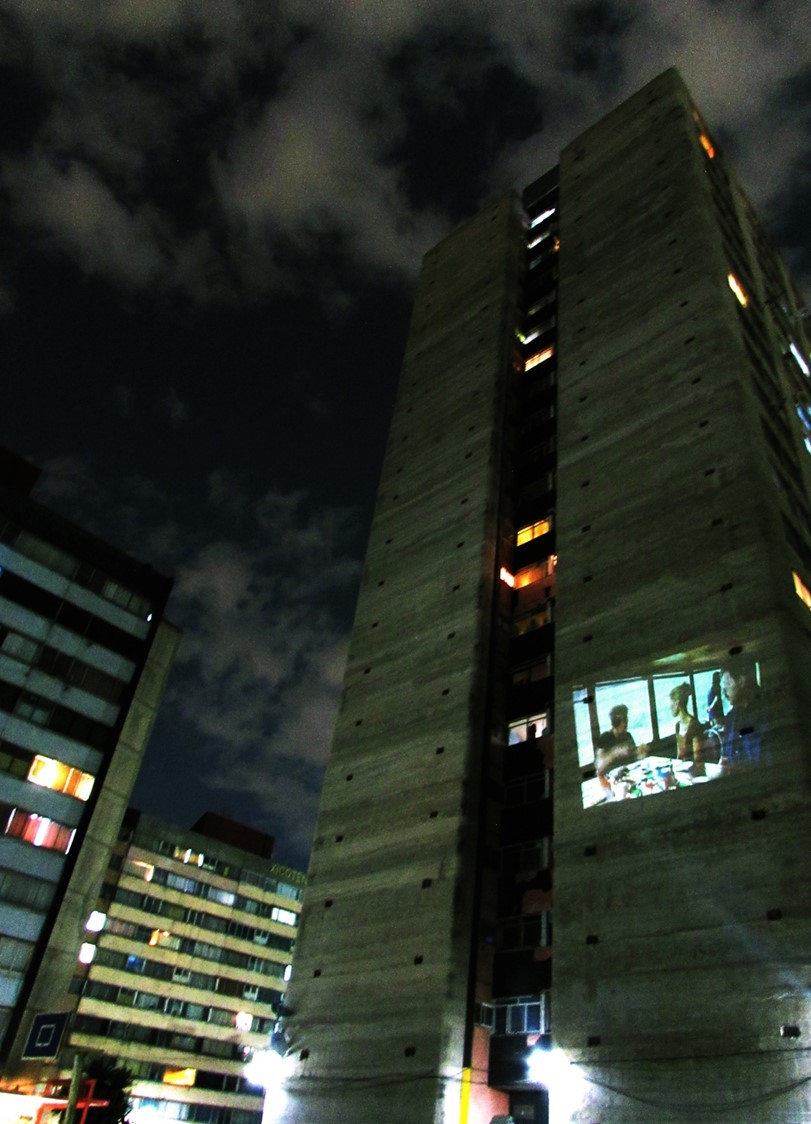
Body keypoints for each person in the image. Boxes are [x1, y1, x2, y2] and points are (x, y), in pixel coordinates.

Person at [719, 664, 767, 767]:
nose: (724, 693)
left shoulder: (767, 713)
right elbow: (724, 758)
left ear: (741, 681)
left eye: (727, 685)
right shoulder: (730, 718)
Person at [595, 704, 640, 777]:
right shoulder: (604, 737)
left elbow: (635, 758)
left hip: (629, 774)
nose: (626, 723)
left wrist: (640, 754)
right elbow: (599, 765)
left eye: (626, 719)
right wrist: (615, 752)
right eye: (624, 720)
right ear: (616, 722)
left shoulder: (628, 736)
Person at [670, 683, 704, 772]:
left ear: (677, 703)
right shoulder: (678, 726)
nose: (670, 707)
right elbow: (679, 754)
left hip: (694, 770)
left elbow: (698, 757)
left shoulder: (694, 725)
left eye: (671, 704)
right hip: (682, 769)